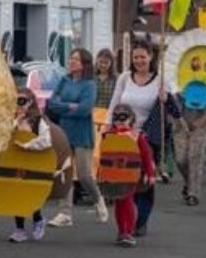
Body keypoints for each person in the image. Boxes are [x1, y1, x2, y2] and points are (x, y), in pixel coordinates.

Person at [106, 39, 176, 234]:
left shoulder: (161, 80)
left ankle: (140, 222)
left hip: (147, 137)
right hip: (122, 135)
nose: (139, 60)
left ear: (151, 57)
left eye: (142, 57)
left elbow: (173, 110)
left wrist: (166, 98)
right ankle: (127, 220)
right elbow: (114, 103)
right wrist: (107, 127)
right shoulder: (125, 78)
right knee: (125, 180)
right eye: (135, 57)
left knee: (144, 181)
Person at [46, 48, 109, 227]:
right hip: (64, 132)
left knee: (84, 175)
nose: (72, 61)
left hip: (82, 133)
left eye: (76, 59)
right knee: (64, 173)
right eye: (71, 58)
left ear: (84, 64)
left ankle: (98, 199)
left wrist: (66, 107)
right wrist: (71, 106)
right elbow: (52, 104)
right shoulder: (64, 80)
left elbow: (84, 109)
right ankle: (65, 213)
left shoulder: (89, 84)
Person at [105, 104, 156, 247]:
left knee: (127, 200)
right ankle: (122, 231)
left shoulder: (137, 136)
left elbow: (146, 156)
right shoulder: (109, 135)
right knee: (118, 203)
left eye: (123, 118)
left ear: (131, 119)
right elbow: (104, 157)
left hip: (131, 175)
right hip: (115, 175)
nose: (119, 121)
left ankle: (128, 231)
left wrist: (150, 174)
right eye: (116, 118)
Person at [8, 88, 52, 243]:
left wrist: (27, 146)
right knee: (16, 194)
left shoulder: (38, 121)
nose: (19, 105)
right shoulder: (11, 119)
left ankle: (38, 219)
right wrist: (16, 121)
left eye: (23, 101)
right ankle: (19, 229)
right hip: (15, 162)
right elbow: (4, 136)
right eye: (16, 101)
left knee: (30, 193)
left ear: (31, 102)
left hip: (33, 160)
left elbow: (46, 140)